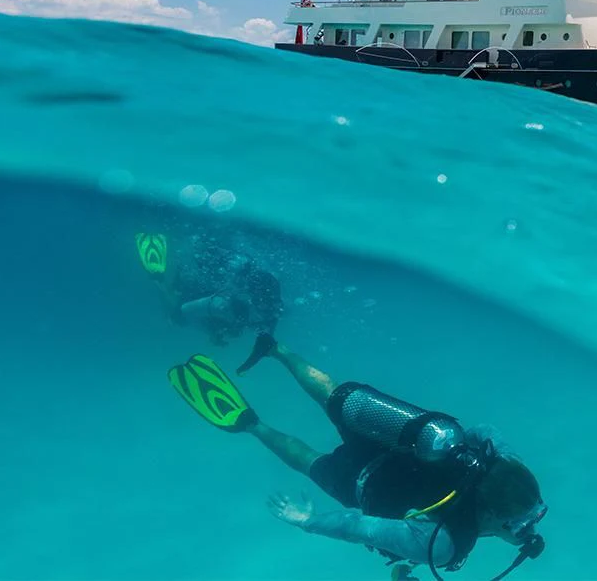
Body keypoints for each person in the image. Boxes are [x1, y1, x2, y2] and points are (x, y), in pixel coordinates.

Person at [167, 334, 547, 581]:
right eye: (524, 521)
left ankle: (276, 350)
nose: (527, 530)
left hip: (395, 443)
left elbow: (485, 430)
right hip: (360, 484)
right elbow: (355, 526)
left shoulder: (505, 468)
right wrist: (307, 521)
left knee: (332, 395)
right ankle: (252, 425)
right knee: (309, 461)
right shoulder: (446, 544)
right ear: (492, 512)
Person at [135, 231, 282, 349]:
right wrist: (214, 332)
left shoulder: (251, 304)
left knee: (181, 310)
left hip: (212, 294)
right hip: (201, 293)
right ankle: (158, 279)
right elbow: (187, 309)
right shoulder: (225, 302)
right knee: (176, 314)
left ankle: (162, 282)